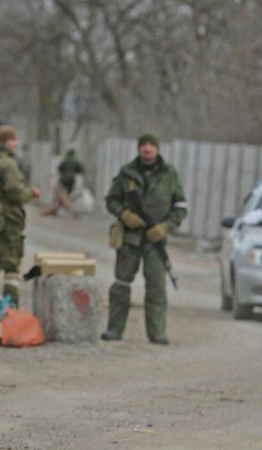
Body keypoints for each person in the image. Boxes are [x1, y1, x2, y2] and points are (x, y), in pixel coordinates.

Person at [102, 133, 187, 345]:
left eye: (151, 145)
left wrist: (165, 227)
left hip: (155, 241)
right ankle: (114, 329)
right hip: (130, 238)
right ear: (139, 149)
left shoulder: (169, 174)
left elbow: (180, 207)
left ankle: (157, 332)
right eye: (144, 146)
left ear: (157, 149)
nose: (147, 149)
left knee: (156, 286)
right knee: (121, 283)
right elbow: (112, 200)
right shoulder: (127, 173)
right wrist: (125, 215)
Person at [0, 125, 41, 311]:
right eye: (14, 140)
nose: (17, 143)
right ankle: (10, 309)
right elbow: (14, 193)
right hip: (8, 221)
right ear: (6, 141)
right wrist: (31, 194)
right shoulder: (7, 164)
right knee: (11, 267)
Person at [41, 148, 84, 218]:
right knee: (66, 197)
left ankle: (71, 211)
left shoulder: (65, 161)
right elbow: (80, 171)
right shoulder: (76, 162)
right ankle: (56, 210)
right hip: (71, 181)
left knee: (60, 197)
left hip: (63, 180)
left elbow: (59, 169)